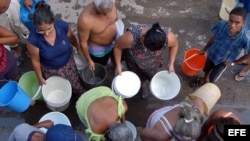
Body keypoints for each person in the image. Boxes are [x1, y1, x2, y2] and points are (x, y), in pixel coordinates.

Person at [26, 2, 85, 96]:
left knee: (75, 83)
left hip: (68, 64)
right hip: (51, 70)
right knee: (59, 89)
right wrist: (40, 78)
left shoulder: (63, 27)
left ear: (53, 22)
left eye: (49, 29)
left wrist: (78, 47)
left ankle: (80, 94)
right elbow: (35, 61)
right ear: (35, 26)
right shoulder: (33, 40)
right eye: (41, 31)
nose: (46, 33)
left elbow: (72, 38)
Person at [113, 22, 178, 98]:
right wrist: (118, 65)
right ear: (143, 38)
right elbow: (117, 46)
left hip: (152, 62)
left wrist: (171, 64)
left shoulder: (167, 37)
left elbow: (175, 45)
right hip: (134, 60)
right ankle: (138, 83)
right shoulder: (131, 38)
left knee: (148, 75)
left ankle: (143, 85)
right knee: (135, 73)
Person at [190, 7, 250, 88]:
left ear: (243, 23)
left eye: (237, 22)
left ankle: (208, 85)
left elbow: (248, 54)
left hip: (223, 62)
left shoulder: (245, 39)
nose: (232, 25)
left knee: (213, 78)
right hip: (212, 54)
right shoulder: (222, 25)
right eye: (231, 21)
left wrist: (234, 62)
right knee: (206, 68)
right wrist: (204, 49)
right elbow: (214, 37)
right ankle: (204, 78)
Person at [77, 0, 122, 70]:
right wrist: (89, 60)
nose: (107, 15)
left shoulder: (113, 2)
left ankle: (115, 64)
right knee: (102, 63)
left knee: (115, 55)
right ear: (96, 7)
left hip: (115, 41)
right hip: (99, 50)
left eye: (109, 11)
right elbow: (83, 43)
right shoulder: (85, 20)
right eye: (103, 13)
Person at [139, 96, 205, 141]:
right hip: (155, 122)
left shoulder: (196, 111)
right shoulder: (162, 136)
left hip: (164, 112)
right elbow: (143, 133)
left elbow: (199, 99)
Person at [0, 0, 30, 66]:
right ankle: (17, 50)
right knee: (7, 35)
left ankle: (31, 47)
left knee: (23, 29)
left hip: (13, 8)